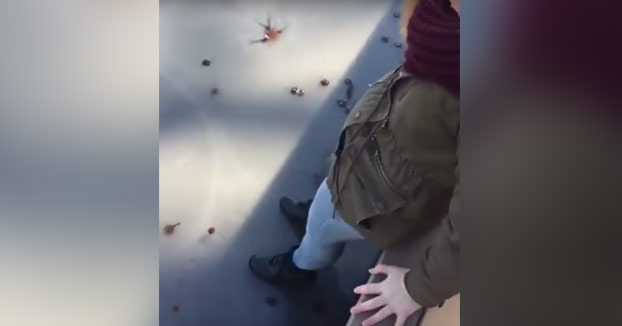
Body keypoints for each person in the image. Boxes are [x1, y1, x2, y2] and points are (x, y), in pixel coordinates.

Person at [249, 0, 460, 325]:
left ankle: (300, 266)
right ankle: (327, 203)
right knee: (326, 201)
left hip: (379, 195)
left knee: (320, 230)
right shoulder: (443, 25)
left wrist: (418, 289)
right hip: (371, 154)